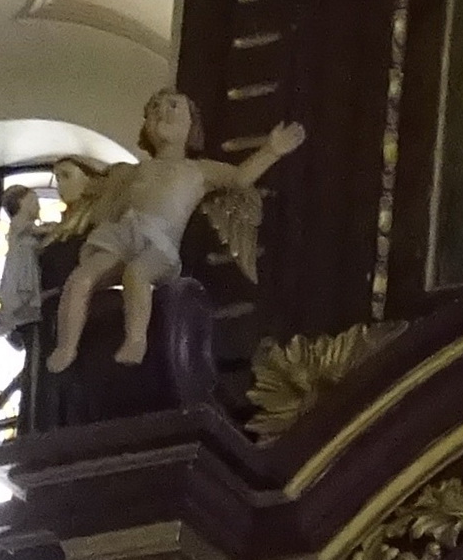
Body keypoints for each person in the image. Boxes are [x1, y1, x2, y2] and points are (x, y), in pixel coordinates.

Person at [34, 90, 306, 373]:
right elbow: (99, 196)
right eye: (154, 107)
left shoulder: (199, 170)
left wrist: (271, 150)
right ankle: (66, 347)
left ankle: (136, 340)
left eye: (173, 106)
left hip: (159, 243)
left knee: (137, 274)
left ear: (192, 125)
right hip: (122, 234)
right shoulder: (132, 171)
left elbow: (239, 178)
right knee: (81, 278)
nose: (161, 111)